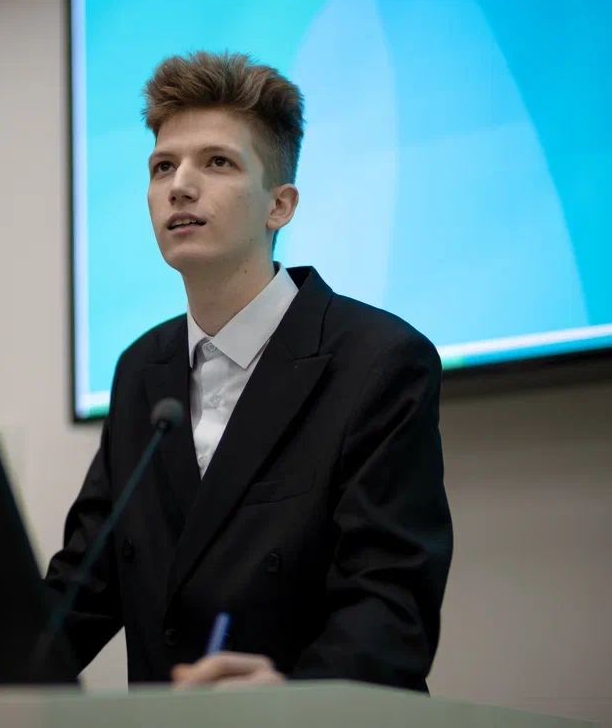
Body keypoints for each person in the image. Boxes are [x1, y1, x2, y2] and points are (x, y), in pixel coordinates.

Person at [44, 51, 453, 691]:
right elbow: (85, 582)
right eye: (162, 166)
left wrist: (291, 703)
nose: (180, 186)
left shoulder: (379, 360)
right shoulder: (140, 370)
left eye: (217, 162)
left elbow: (391, 604)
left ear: (279, 206)